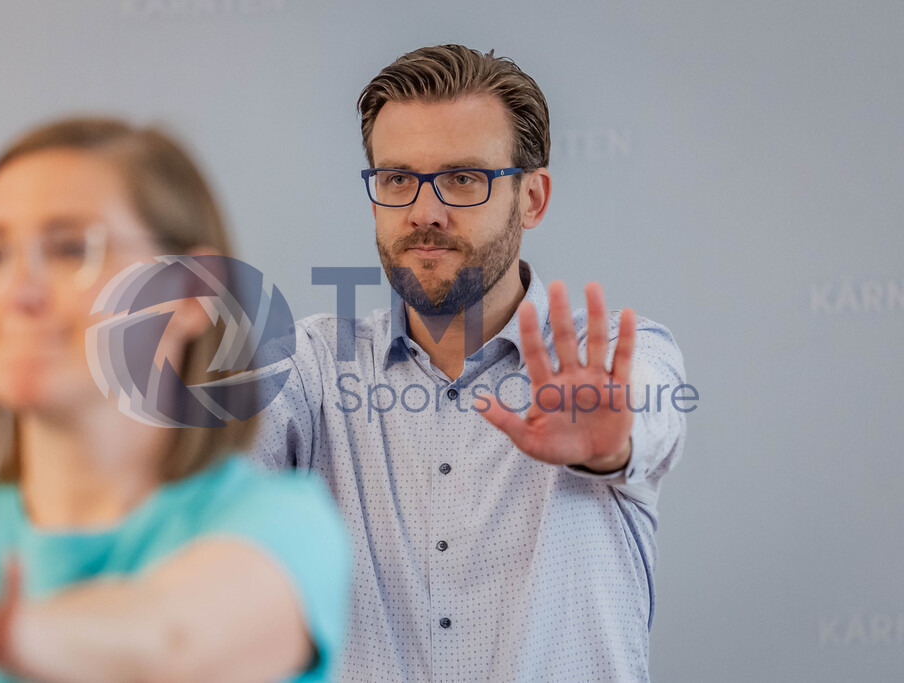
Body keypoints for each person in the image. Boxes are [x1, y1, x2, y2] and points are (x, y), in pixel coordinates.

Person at [249, 45, 688, 681]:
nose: (424, 212)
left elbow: (648, 413)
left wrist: (611, 444)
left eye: (463, 179)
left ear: (532, 198)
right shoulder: (311, 366)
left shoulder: (618, 355)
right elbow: (196, 479)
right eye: (397, 179)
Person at [0, 118, 350, 683]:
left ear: (192, 292)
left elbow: (172, 642)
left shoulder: (285, 525)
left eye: (70, 248)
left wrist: (1, 637)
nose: (17, 293)